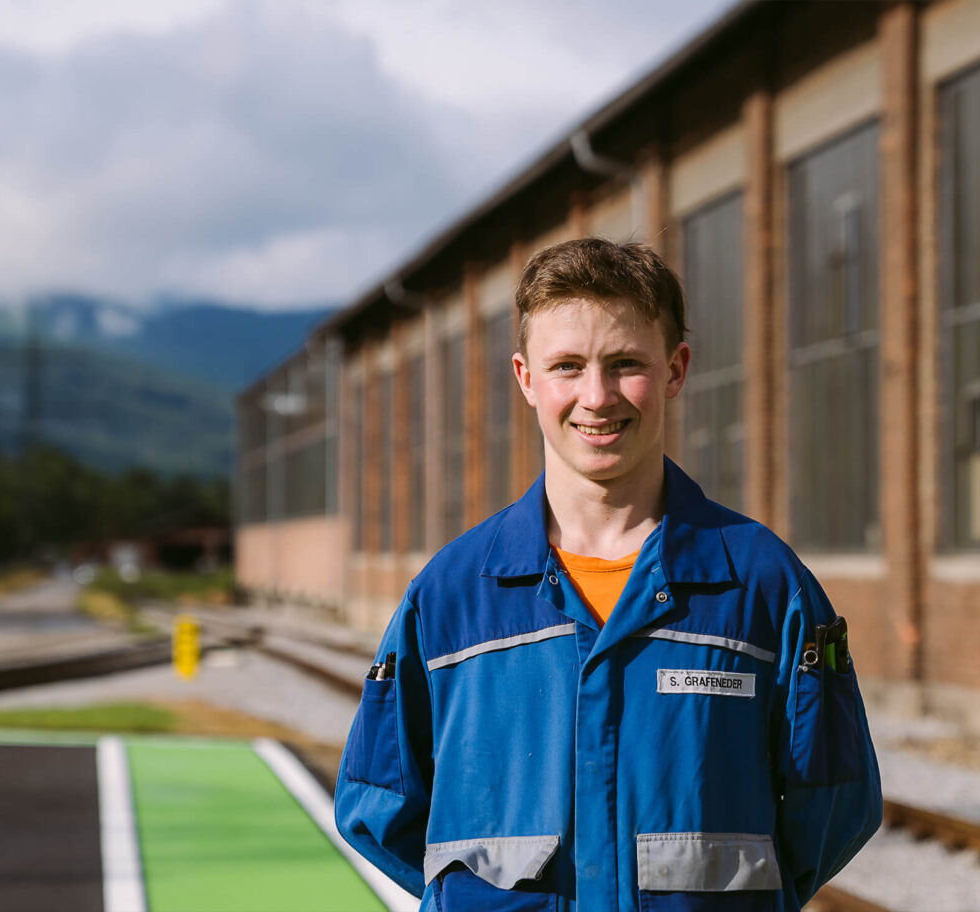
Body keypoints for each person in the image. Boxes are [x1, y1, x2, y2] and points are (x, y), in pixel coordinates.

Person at [335, 238, 882, 912]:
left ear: (676, 370)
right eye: (567, 366)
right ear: (525, 378)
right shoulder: (450, 596)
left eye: (626, 364)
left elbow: (834, 807)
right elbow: (380, 807)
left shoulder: (764, 588)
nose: (596, 397)